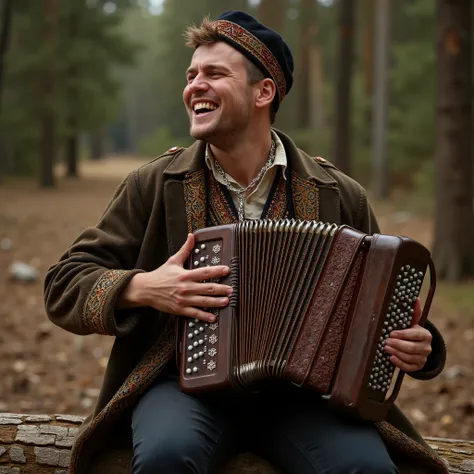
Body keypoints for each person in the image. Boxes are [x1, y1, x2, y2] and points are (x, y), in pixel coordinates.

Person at [44, 10, 448, 474]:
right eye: (191, 74)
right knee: (165, 457)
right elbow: (63, 283)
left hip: (306, 398)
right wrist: (145, 287)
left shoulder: (337, 194)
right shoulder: (155, 184)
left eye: (215, 73)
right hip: (182, 386)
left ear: (264, 91)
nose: (195, 85)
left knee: (367, 469)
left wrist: (421, 347)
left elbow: (384, 308)